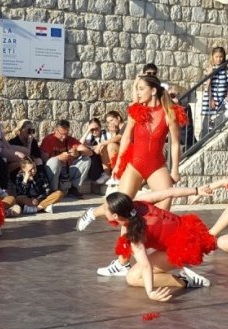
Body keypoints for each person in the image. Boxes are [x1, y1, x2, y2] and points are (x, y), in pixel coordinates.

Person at [76, 75, 188, 277]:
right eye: (137, 89)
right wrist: (119, 163)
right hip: (135, 164)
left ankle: (138, 256)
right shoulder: (136, 110)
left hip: (156, 166)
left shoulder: (169, 113)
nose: (137, 92)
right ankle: (100, 223)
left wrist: (175, 170)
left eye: (141, 88)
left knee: (162, 211)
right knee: (121, 207)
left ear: (153, 90)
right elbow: (126, 136)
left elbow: (174, 143)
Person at [104, 190, 215, 302]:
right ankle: (121, 265)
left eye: (105, 209)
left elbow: (145, 266)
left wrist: (150, 292)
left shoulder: (134, 234)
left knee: (132, 277)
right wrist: (196, 190)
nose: (103, 211)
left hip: (184, 249)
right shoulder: (140, 203)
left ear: (115, 215)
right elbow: (169, 192)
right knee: (131, 258)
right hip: (191, 232)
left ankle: (186, 281)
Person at [41, 119, 92, 199]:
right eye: (62, 134)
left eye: (66, 134)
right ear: (55, 130)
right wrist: (59, 157)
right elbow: (44, 159)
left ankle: (74, 188)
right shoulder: (48, 140)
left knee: (86, 159)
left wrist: (78, 153)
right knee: (54, 161)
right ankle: (53, 190)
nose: (64, 137)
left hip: (67, 170)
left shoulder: (70, 139)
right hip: (53, 171)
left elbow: (90, 152)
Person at [200, 48, 228, 137]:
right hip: (213, 97)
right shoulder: (211, 68)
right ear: (212, 57)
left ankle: (217, 121)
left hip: (222, 97)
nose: (219, 59)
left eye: (221, 57)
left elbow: (227, 83)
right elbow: (208, 85)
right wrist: (211, 99)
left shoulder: (224, 68)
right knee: (208, 119)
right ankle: (204, 137)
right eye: (216, 57)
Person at [0, 99, 28, 168]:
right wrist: (10, 150)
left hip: (1, 144)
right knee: (21, 156)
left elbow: (3, 138)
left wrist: (10, 148)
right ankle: (8, 172)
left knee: (26, 151)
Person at [80, 117, 118, 185]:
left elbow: (113, 145)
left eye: (96, 128)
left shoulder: (106, 135)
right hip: (97, 163)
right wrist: (88, 130)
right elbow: (80, 144)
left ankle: (108, 173)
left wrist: (100, 146)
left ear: (100, 127)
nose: (94, 131)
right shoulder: (90, 137)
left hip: (108, 161)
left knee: (103, 148)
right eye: (92, 129)